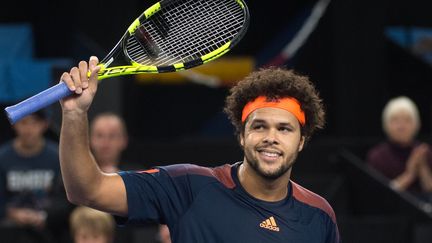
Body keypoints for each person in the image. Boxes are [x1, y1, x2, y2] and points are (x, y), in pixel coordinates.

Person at [58, 56, 340, 243]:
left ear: (301, 140)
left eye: (284, 129)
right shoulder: (188, 187)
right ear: (241, 136)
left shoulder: (318, 216)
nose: (271, 137)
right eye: (259, 126)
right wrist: (74, 115)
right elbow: (86, 190)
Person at [0, 111, 71, 242]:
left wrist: (45, 216)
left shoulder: (57, 156)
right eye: (23, 122)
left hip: (49, 227)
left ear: (45, 124)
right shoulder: (3, 157)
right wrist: (10, 213)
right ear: (14, 124)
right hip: (8, 229)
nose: (28, 129)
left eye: (34, 123)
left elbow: (65, 198)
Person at [367, 96, 432, 196]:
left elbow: (429, 189)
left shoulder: (423, 152)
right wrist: (410, 173)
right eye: (395, 120)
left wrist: (422, 167)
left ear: (417, 124)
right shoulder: (377, 156)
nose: (401, 126)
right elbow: (379, 196)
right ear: (386, 124)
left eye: (407, 120)